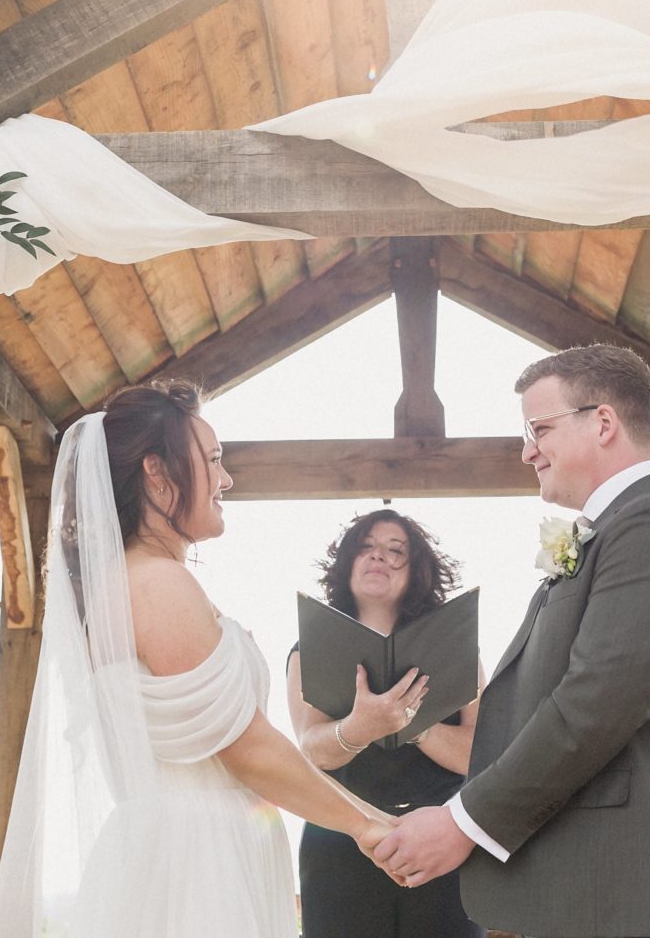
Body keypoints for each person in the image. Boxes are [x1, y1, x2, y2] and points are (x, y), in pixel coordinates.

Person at [376, 344, 650, 938]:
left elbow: (595, 703)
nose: (526, 450)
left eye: (539, 428)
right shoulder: (614, 532)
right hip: (574, 889)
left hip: (624, 891)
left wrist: (463, 823)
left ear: (604, 423)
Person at [33, 380, 396, 937]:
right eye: (214, 460)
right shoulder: (157, 583)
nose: (225, 480)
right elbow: (247, 748)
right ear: (156, 472)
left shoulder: (131, 581)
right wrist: (369, 826)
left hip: (184, 848)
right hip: (198, 866)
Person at [286, 509, 486, 938]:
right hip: (340, 842)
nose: (378, 556)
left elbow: (482, 752)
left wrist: (416, 725)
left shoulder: (459, 650)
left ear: (417, 573)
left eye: (396, 551)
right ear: (347, 562)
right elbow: (312, 750)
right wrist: (362, 725)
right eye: (367, 546)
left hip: (439, 845)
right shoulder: (310, 649)